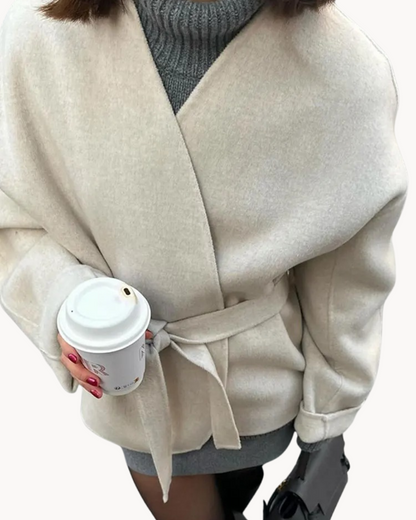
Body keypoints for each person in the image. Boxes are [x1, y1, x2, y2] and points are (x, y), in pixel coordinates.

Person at [0, 0, 408, 519]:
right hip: (131, 387)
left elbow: (346, 276)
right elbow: (14, 211)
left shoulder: (347, 72)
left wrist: (328, 412)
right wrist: (62, 299)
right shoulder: (38, 37)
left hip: (260, 398)